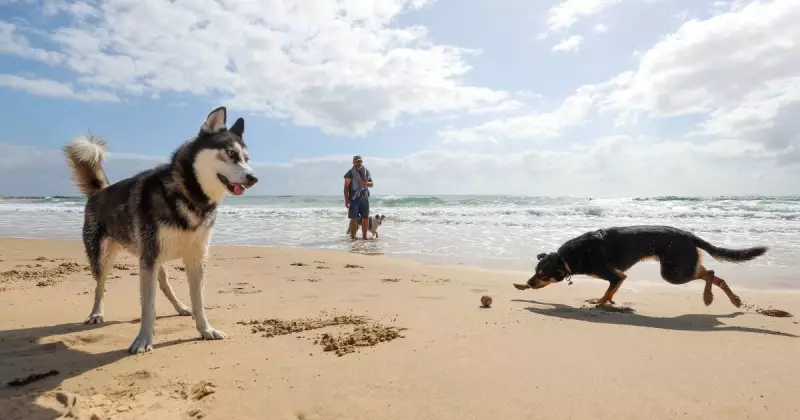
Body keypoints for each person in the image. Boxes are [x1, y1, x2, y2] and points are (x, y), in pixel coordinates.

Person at [344, 155, 373, 239]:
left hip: (364, 198)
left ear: (362, 162)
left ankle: (364, 237)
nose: (358, 163)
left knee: (365, 217)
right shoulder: (350, 173)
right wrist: (347, 200)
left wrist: (366, 183)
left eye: (360, 161)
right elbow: (346, 187)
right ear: (353, 162)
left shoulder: (366, 172)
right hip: (354, 198)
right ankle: (353, 237)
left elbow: (372, 184)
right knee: (353, 218)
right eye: (356, 162)